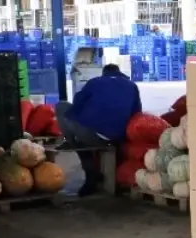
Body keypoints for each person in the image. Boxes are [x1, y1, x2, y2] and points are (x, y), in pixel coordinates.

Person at [56, 63, 142, 195]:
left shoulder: (95, 82)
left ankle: (90, 172)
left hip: (93, 136)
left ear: (104, 73)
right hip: (118, 138)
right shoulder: (132, 86)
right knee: (83, 131)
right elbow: (137, 114)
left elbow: (77, 103)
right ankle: (76, 142)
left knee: (62, 107)